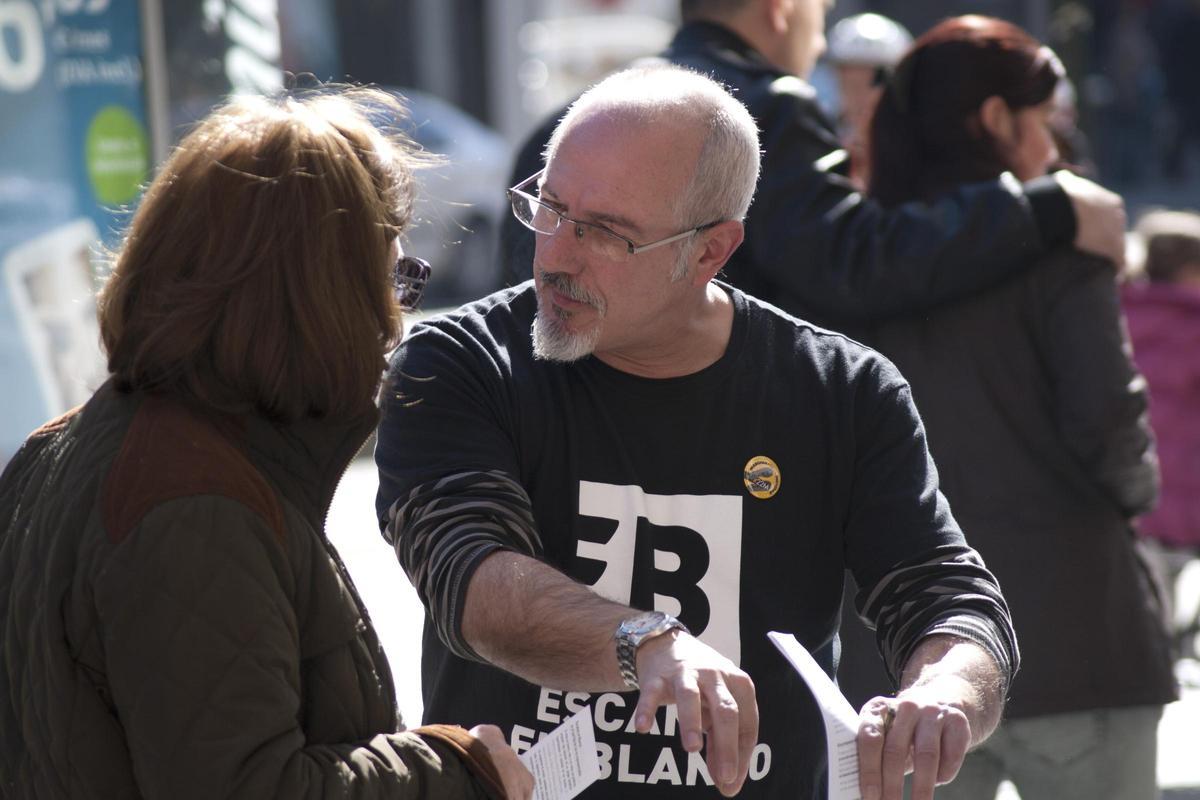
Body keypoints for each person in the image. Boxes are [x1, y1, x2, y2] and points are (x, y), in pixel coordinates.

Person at [376, 64, 1019, 800]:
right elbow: (468, 574)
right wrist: (645, 643)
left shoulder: (841, 390)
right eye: (548, 207)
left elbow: (945, 593)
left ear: (711, 250)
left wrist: (944, 692)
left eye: (605, 233)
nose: (555, 255)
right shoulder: (459, 360)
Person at [0, 87, 533, 800]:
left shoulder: (79, 444)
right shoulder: (194, 503)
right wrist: (457, 769)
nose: (394, 319)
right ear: (321, 297)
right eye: (393, 280)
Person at [854, 17, 1177, 800]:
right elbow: (1108, 428)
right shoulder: (1061, 247)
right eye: (1044, 121)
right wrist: (1138, 495)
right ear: (996, 119)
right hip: (1075, 628)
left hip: (906, 655)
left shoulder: (852, 257)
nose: (1052, 147)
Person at [499, 0, 1128, 341]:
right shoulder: (771, 108)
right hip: (711, 447)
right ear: (781, 9)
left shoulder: (582, 113)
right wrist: (1043, 208)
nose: (821, 43)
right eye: (820, 15)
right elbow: (856, 263)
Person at [1123, 209, 1200, 669]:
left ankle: (1160, 647)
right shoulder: (1193, 323)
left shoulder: (1119, 312)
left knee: (1154, 575)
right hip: (1189, 477)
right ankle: (1176, 645)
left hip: (1138, 475)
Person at [824, 12, 912, 187]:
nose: (862, 95)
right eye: (851, 82)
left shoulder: (915, 146)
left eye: (877, 79)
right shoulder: (820, 137)